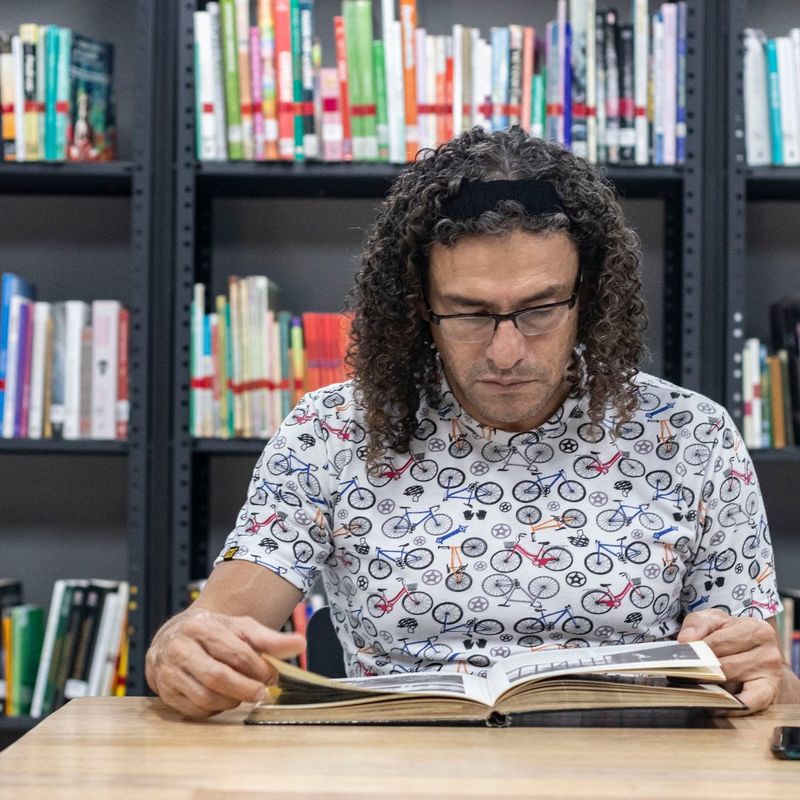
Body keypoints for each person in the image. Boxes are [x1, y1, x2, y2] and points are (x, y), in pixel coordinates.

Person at [146, 127, 799, 719]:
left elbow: (764, 684)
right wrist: (181, 650)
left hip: (627, 776)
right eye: (469, 313)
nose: (506, 352)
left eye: (541, 309)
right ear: (418, 305)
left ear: (591, 296)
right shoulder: (334, 431)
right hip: (398, 776)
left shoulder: (691, 436)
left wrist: (766, 672)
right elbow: (215, 625)